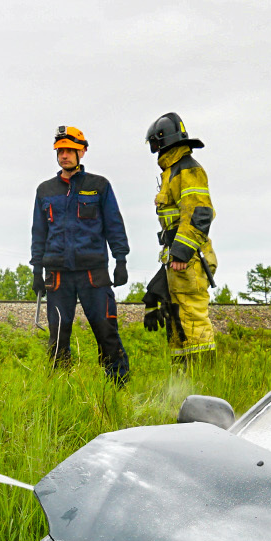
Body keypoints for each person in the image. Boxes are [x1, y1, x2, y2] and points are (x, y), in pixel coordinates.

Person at [30, 126, 130, 383]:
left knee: (106, 329)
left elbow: (114, 225)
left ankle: (118, 383)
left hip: (93, 273)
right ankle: (60, 387)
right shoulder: (45, 190)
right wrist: (36, 270)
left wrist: (121, 260)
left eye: (70, 150)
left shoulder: (99, 186)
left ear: (82, 151)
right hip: (58, 274)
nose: (64, 155)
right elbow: (38, 232)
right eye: (61, 151)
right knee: (58, 334)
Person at [142, 113, 216, 360]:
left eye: (154, 144)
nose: (154, 151)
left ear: (162, 141)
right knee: (177, 321)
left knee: (192, 319)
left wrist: (182, 252)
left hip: (190, 258)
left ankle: (204, 384)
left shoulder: (187, 170)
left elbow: (199, 213)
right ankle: (183, 384)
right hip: (178, 258)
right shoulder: (172, 171)